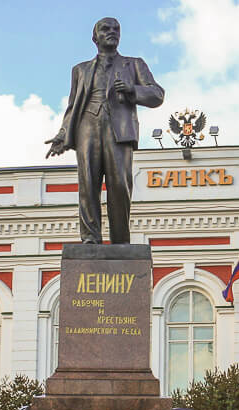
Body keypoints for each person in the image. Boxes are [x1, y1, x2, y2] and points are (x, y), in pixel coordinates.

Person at [45, 17, 164, 244]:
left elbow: (157, 94)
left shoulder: (134, 64)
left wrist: (132, 90)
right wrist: (63, 134)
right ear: (95, 37)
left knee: (119, 185)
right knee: (88, 183)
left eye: (116, 29)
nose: (112, 32)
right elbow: (72, 105)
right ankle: (90, 238)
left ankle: (120, 241)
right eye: (106, 29)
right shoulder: (80, 70)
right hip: (87, 127)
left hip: (119, 129)